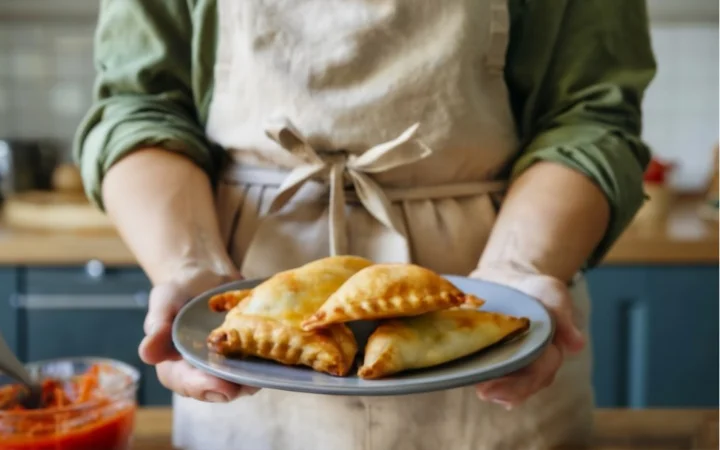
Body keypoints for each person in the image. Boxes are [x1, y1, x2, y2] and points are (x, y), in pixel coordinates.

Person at [74, 0, 656, 448]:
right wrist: (189, 264)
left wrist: (520, 271)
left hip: (495, 294)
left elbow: (590, 116)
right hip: (245, 319)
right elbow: (140, 104)